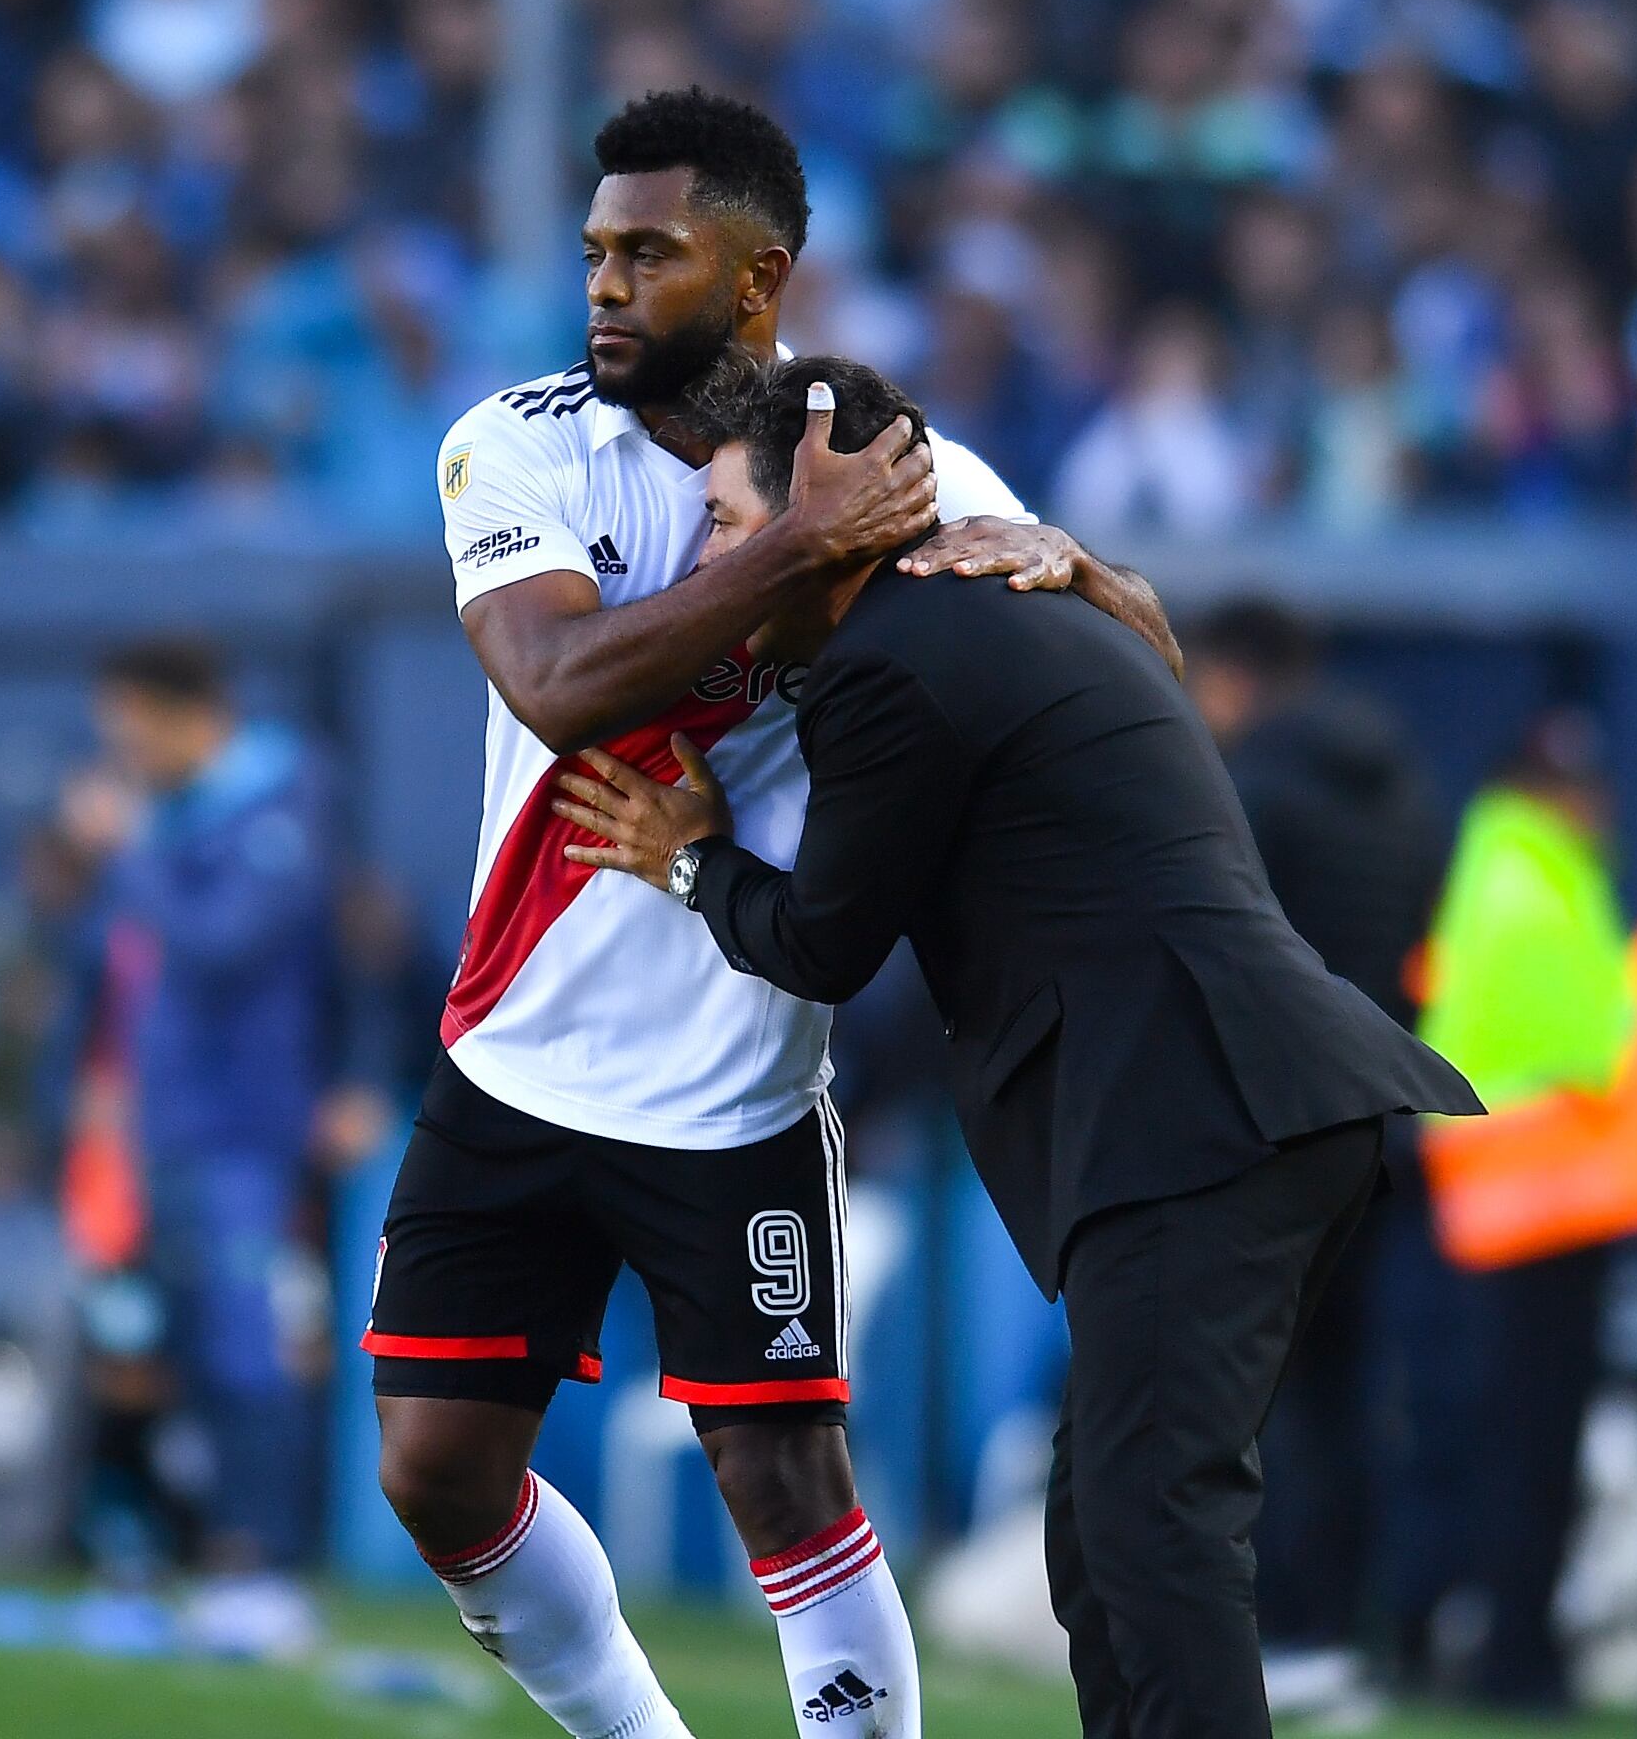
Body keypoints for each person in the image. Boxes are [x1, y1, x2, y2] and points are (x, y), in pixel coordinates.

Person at [366, 88, 1175, 1739]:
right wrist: (797, 546)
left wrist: (1069, 576)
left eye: (647, 255)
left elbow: (1143, 656)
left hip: (732, 1078)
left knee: (784, 1481)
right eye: (594, 252)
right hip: (516, 1054)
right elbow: (558, 679)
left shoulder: (896, 464)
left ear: (758, 278)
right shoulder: (513, 444)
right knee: (436, 1471)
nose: (601, 285)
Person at [552, 353, 1480, 1739]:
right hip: (1235, 1100)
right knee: (1103, 1535)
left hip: (1195, 1110)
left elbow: (821, 944)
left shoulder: (894, 658)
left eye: (741, 525)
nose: (722, 565)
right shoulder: (998, 604)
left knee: (1150, 1532)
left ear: (834, 501)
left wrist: (688, 862)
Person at [1184, 599, 1447, 1714]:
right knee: (1351, 1392)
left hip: (1273, 1125)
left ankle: (1287, 1624)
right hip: (1385, 1119)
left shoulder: (1251, 793)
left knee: (1262, 1390)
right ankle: (1353, 1628)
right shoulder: (1414, 796)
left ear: (1237, 678)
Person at [90, 637, 332, 1646]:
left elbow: (224, 942)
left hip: (248, 1126)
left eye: (132, 732)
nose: (125, 755)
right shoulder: (185, 814)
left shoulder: (283, 799)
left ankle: (264, 1566)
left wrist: (131, 848)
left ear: (187, 712)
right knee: (174, 1343)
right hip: (174, 1123)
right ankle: (189, 1554)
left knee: (250, 1344)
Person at [1413, 711, 1636, 1711]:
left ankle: (1499, 1646)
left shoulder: (1512, 868)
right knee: (1525, 1454)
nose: (1598, 805)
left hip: (1522, 1207)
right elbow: (1587, 1056)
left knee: (1512, 1447)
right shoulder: (1530, 881)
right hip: (1535, 1208)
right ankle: (1514, 1659)